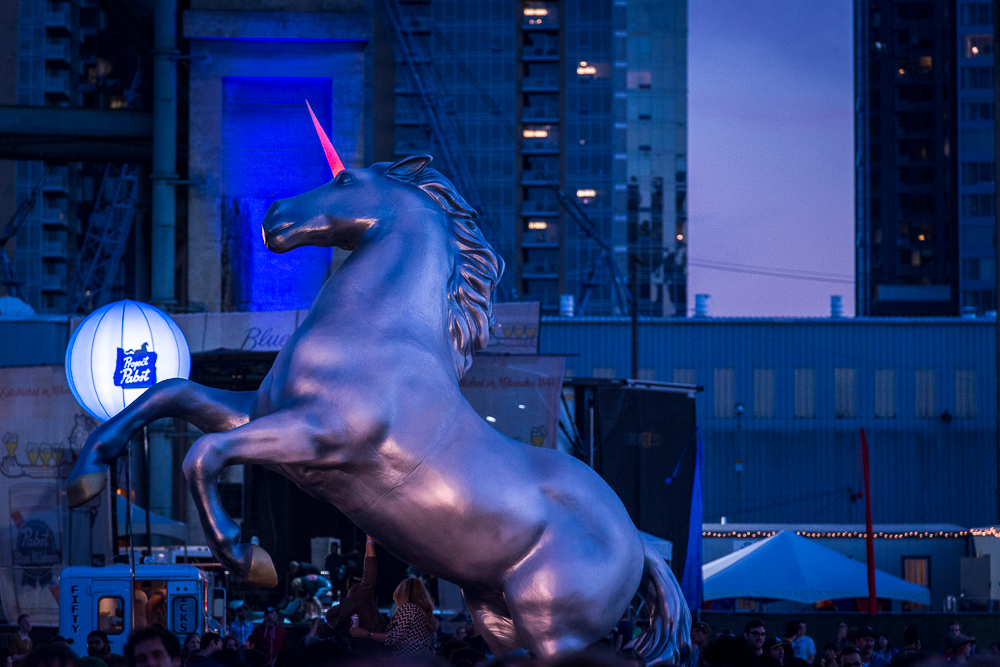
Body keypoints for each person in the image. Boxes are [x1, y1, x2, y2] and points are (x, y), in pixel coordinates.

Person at [350, 577, 436, 656]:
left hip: (409, 660)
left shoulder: (409, 608)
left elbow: (392, 637)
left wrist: (366, 634)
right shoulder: (423, 610)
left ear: (403, 592)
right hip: (424, 659)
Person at [330, 536, 386, 656]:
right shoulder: (359, 600)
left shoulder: (355, 598)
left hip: (367, 654)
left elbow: (369, 575)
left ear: (347, 583)